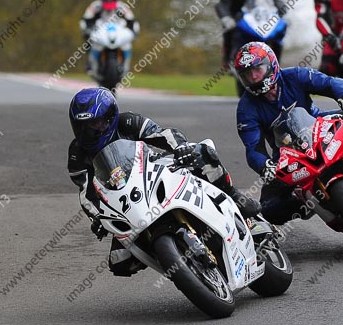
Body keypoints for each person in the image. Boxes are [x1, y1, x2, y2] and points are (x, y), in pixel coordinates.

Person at [67, 87, 260, 276]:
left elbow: (162, 133)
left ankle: (234, 197)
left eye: (95, 124)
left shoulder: (127, 122)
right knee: (120, 261)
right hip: (126, 202)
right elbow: (86, 193)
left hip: (155, 170)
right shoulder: (77, 153)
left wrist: (181, 147)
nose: (90, 131)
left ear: (110, 118)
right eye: (83, 126)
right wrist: (97, 218)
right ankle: (176, 259)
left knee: (202, 153)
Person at [233, 42, 343, 225]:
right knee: (270, 208)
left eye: (258, 69)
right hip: (286, 152)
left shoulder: (295, 75)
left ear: (271, 64)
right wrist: (265, 166)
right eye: (248, 75)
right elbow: (253, 148)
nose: (254, 77)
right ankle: (307, 202)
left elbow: (332, 83)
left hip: (320, 124)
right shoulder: (245, 108)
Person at [215, 0, 286, 68]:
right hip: (236, 16)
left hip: (256, 17)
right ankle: (228, 59)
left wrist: (280, 6)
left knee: (278, 32)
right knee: (229, 30)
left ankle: (276, 63)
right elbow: (223, 2)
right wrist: (226, 17)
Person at [80, 0, 139, 76]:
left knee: (127, 44)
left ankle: (126, 66)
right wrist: (87, 30)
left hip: (117, 33)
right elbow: (86, 20)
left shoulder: (123, 7)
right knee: (90, 41)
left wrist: (134, 31)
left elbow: (132, 21)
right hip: (100, 32)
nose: (109, 1)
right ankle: (90, 64)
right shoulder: (95, 6)